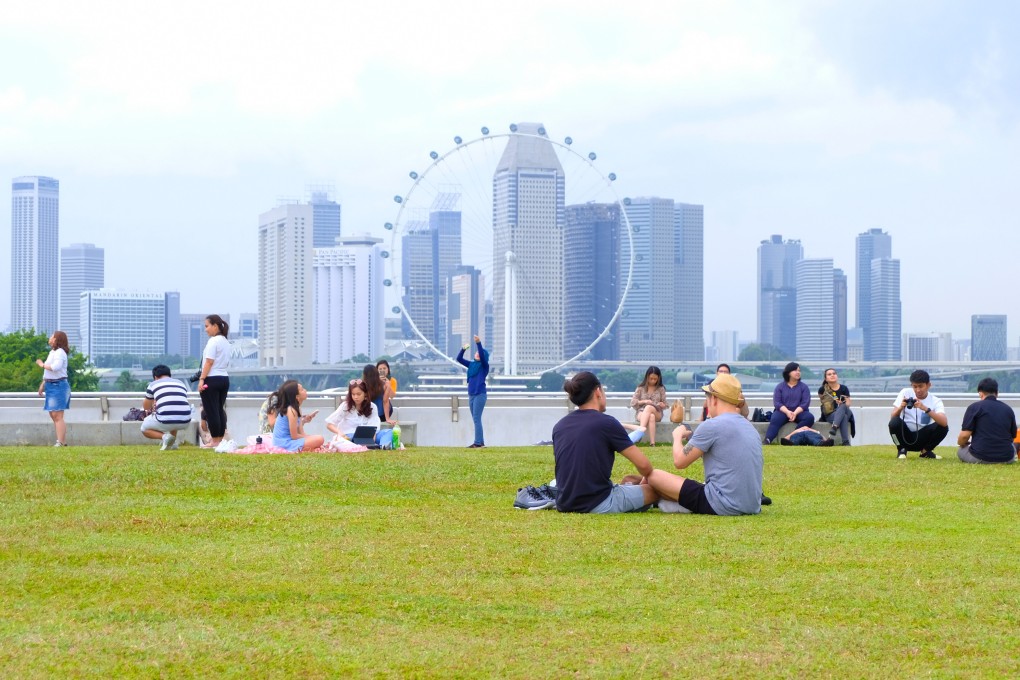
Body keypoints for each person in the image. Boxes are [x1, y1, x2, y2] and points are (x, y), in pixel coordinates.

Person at [646, 373, 764, 515]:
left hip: (722, 503)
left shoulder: (712, 425)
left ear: (713, 398)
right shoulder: (749, 427)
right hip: (752, 505)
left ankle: (650, 497)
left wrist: (677, 437)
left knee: (653, 476)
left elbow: (679, 461)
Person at [552, 371, 657, 514]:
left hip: (564, 503)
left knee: (629, 482)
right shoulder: (606, 423)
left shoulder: (560, 426)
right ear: (598, 392)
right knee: (657, 489)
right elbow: (645, 466)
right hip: (599, 503)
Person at [889, 369, 949, 459]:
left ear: (928, 385)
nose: (918, 390)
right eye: (915, 387)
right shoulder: (905, 393)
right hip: (905, 435)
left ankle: (925, 452)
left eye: (921, 386)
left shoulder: (935, 400)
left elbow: (944, 422)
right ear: (911, 385)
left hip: (922, 436)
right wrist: (901, 407)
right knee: (894, 423)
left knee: (942, 427)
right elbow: (893, 417)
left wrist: (925, 409)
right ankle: (901, 449)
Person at [956, 377, 1018, 464]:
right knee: (1011, 446)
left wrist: (961, 443)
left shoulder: (974, 407)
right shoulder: (1008, 409)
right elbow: (1013, 435)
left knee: (961, 450)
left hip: (980, 457)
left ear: (980, 394)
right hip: (1007, 458)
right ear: (997, 393)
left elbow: (964, 436)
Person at [197, 314, 231, 449]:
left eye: (207, 326)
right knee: (218, 410)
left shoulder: (213, 341)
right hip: (224, 378)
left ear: (215, 326)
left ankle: (215, 441)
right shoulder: (226, 342)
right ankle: (220, 440)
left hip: (212, 379)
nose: (205, 329)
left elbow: (209, 362)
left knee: (211, 411)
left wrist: (201, 379)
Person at [140, 365, 193, 450]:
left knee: (144, 428)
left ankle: (164, 437)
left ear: (155, 377)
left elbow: (146, 407)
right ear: (169, 375)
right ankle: (173, 443)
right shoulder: (180, 383)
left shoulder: (153, 384)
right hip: (186, 420)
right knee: (173, 412)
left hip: (166, 420)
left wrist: (153, 400)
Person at [764, 362, 815, 444]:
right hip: (783, 411)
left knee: (809, 418)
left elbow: (805, 403)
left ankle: (792, 438)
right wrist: (787, 412)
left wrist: (795, 413)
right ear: (788, 373)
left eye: (799, 370)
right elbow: (777, 403)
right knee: (775, 418)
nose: (798, 372)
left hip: (799, 412)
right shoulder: (780, 387)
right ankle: (768, 439)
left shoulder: (804, 387)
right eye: (795, 370)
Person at [36, 330, 71, 447]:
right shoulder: (53, 352)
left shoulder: (60, 352)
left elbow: (56, 367)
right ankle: (62, 441)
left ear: (57, 340)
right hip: (51, 385)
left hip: (59, 385)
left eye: (52, 336)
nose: (50, 338)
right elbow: (48, 372)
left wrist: (41, 364)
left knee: (58, 415)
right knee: (53, 415)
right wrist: (43, 383)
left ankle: (60, 442)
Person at [272, 380, 324, 452]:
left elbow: (301, 432)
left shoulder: (297, 409)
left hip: (290, 441)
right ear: (297, 397)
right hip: (284, 443)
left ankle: (310, 449)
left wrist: (308, 437)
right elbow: (294, 436)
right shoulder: (291, 410)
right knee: (320, 439)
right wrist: (309, 438)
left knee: (317, 438)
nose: (305, 390)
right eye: (302, 390)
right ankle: (308, 449)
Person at [456, 335, 489, 448]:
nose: (477, 354)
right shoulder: (471, 365)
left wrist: (478, 343)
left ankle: (477, 443)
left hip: (480, 394)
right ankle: (481, 442)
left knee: (476, 419)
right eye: (476, 353)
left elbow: (482, 354)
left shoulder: (484, 366)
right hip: (471, 395)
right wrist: (464, 349)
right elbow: (459, 359)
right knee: (476, 419)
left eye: (480, 354)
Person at [624, 366, 667, 446]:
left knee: (649, 407)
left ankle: (640, 431)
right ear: (647, 377)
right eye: (651, 378)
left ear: (658, 378)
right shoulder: (640, 388)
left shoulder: (661, 389)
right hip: (641, 412)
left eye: (655, 379)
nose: (653, 381)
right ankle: (652, 443)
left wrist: (662, 405)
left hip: (657, 411)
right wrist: (644, 401)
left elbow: (666, 405)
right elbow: (633, 402)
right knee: (651, 417)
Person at [817, 368, 854, 445]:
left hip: (845, 410)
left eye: (834, 373)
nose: (832, 375)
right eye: (829, 374)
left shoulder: (844, 388)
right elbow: (823, 403)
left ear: (837, 376)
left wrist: (844, 403)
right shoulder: (823, 389)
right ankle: (846, 442)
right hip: (831, 414)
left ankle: (834, 427)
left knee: (843, 407)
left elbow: (848, 405)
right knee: (843, 416)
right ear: (826, 378)